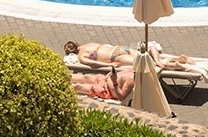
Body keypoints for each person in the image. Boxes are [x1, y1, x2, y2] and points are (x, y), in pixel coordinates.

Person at [64, 41, 197, 69]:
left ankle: (171, 64)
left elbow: (93, 63)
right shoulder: (89, 44)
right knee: (143, 55)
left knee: (144, 62)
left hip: (115, 57)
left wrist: (108, 64)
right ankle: (175, 58)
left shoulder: (81, 55)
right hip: (121, 48)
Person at [71, 67, 135, 102]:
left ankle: (62, 86)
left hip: (105, 90)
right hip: (104, 79)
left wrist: (114, 81)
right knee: (85, 77)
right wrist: (111, 73)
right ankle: (62, 74)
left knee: (78, 86)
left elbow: (121, 97)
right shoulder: (133, 69)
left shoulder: (131, 79)